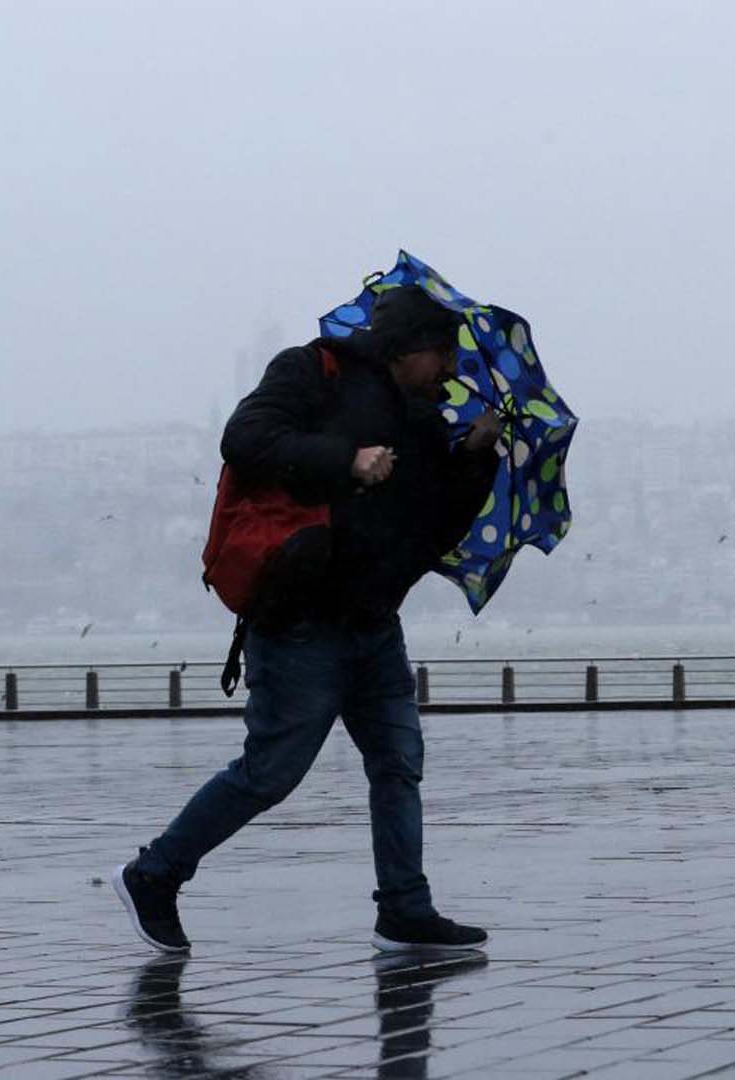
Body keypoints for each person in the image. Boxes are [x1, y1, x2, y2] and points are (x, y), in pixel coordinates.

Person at [114, 285, 499, 954]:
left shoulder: (425, 422)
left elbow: (436, 531)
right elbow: (245, 438)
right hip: (300, 620)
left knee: (398, 761)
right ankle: (155, 873)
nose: (450, 370)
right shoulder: (310, 371)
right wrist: (345, 461)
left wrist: (473, 458)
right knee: (272, 770)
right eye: (442, 353)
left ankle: (405, 909)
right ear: (407, 348)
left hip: (375, 624)